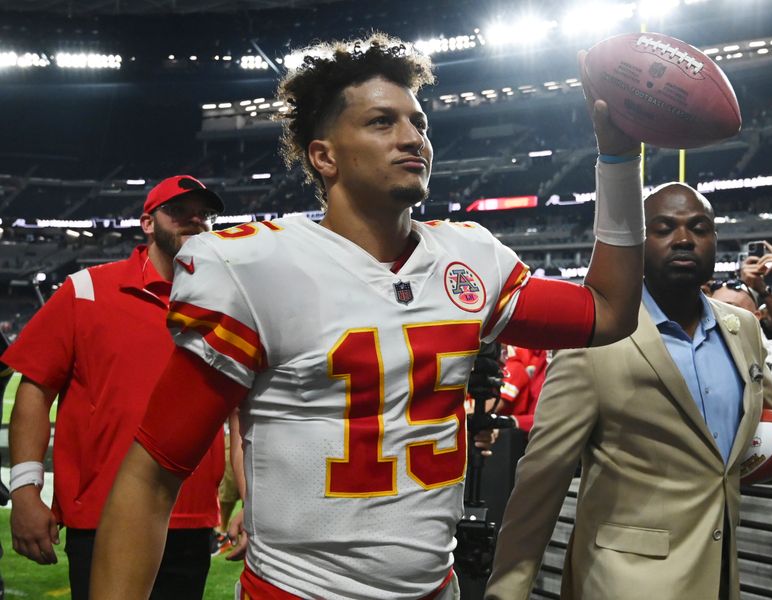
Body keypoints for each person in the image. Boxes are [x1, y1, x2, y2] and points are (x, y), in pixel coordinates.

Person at [90, 32, 646, 599]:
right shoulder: (258, 267)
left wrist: (620, 156)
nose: (412, 138)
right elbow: (152, 476)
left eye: (419, 122)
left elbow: (608, 311)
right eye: (382, 122)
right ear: (324, 155)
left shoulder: (469, 258)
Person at [486, 182, 772, 600]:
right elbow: (541, 482)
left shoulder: (742, 329)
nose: (684, 239)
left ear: (715, 241)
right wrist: (507, 591)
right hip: (623, 584)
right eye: (664, 227)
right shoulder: (593, 339)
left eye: (699, 227)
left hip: (722, 578)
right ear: (636, 242)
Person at [5, 175, 227, 600]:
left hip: (192, 520)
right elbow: (35, 388)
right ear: (148, 222)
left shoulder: (225, 301)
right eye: (179, 212)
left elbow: (240, 410)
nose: (194, 221)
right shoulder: (86, 291)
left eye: (204, 215)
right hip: (103, 515)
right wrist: (25, 490)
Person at [709, 278, 772, 394]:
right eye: (712, 308)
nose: (717, 315)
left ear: (756, 316)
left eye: (729, 307)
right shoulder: (694, 349)